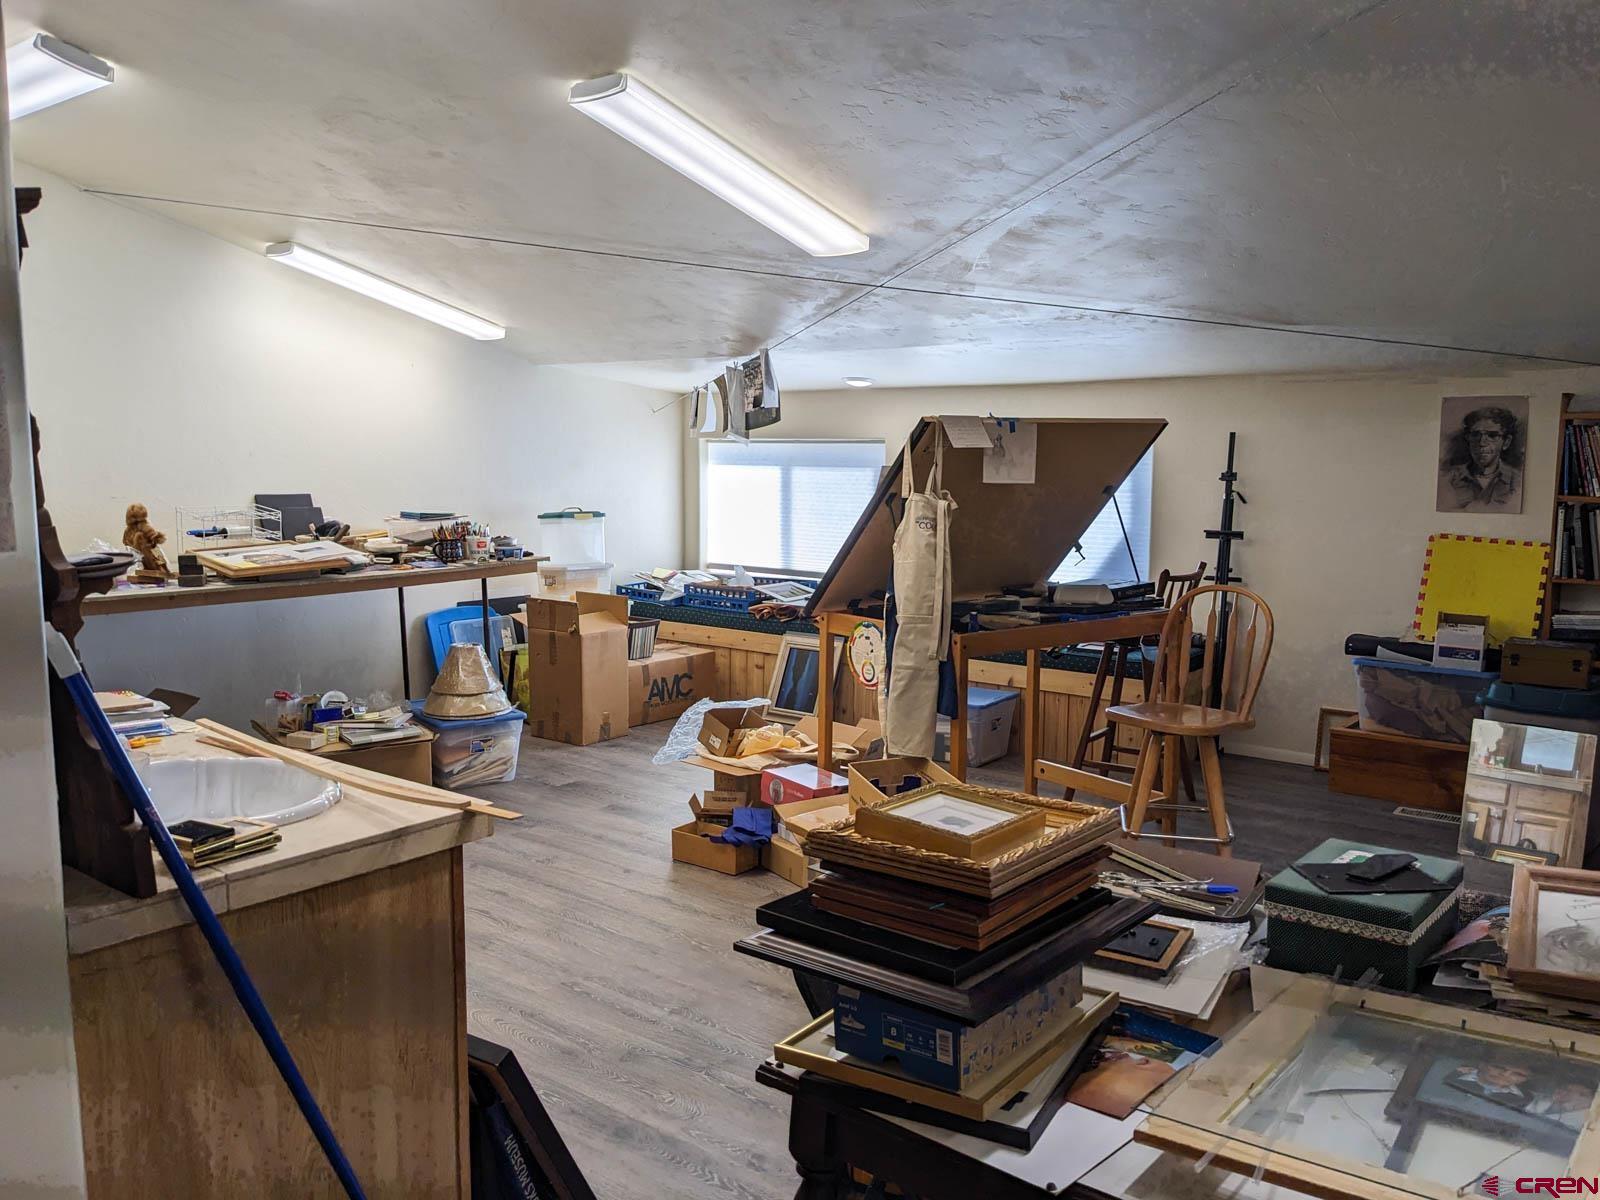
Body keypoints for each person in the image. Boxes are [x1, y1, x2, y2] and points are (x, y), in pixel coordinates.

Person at [1441, 405, 1522, 511]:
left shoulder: (1517, 481)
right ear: (1468, 439)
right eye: (1475, 435)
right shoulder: (1448, 479)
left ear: (1506, 442)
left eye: (1492, 436)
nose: (1482, 443)